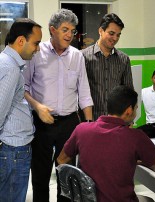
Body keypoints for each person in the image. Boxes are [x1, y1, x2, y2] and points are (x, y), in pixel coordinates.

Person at [57, 85, 155, 202]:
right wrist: (143, 162)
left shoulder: (81, 129)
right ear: (129, 110)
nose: (135, 112)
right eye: (136, 108)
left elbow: (61, 160)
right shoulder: (136, 137)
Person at [23, 9, 94, 202]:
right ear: (52, 30)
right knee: (40, 175)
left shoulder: (77, 56)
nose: (70, 34)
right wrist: (38, 107)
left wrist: (88, 124)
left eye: (73, 30)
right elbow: (24, 87)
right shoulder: (37, 53)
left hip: (69, 123)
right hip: (41, 122)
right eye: (65, 29)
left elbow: (84, 92)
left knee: (67, 175)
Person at [0, 18, 42, 202]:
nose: (38, 49)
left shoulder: (5, 61)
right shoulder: (10, 68)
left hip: (12, 149)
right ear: (20, 41)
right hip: (14, 150)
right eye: (36, 43)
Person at [81, 13, 134, 120]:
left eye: (118, 35)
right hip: (91, 120)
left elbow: (128, 92)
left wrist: (130, 120)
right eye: (111, 33)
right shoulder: (83, 56)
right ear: (100, 31)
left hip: (116, 122)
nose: (115, 38)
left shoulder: (124, 59)